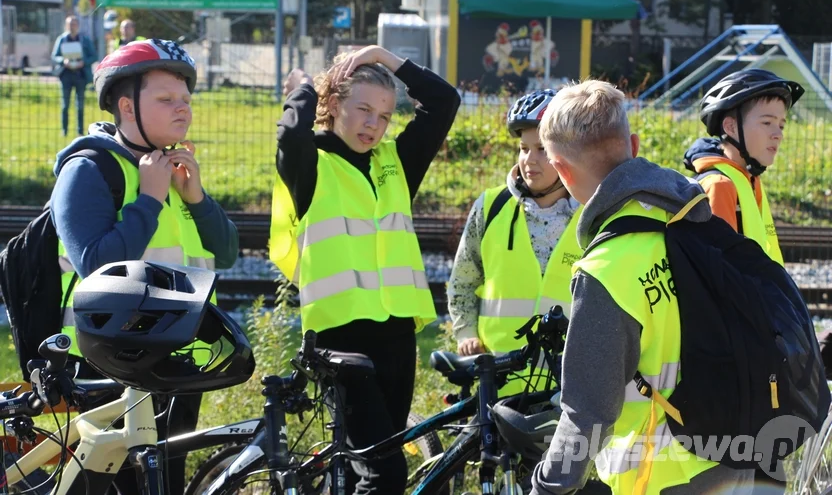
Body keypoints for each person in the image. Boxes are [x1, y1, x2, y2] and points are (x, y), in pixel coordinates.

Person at [530, 79, 753, 495]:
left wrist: (547, 486)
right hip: (738, 456)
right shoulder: (694, 223)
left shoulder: (606, 270)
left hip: (660, 476)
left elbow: (587, 414)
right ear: (632, 144)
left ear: (561, 169)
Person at [50, 38, 239, 494]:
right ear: (126, 107)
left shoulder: (168, 168)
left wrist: (195, 198)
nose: (183, 110)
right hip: (106, 362)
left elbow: (227, 252)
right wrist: (151, 198)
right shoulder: (90, 168)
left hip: (173, 356)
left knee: (166, 478)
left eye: (186, 100)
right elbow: (96, 263)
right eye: (166, 99)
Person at [269, 45, 460, 495]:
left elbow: (444, 102)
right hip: (341, 340)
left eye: (385, 115)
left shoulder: (394, 163)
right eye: (363, 110)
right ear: (333, 106)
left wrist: (385, 57)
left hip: (396, 333)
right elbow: (289, 134)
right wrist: (306, 87)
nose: (374, 124)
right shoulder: (310, 162)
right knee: (384, 475)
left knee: (371, 469)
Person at [447, 89, 582, 396]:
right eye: (523, 148)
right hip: (498, 376)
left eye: (542, 150)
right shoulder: (490, 207)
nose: (529, 160)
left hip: (569, 384)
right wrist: (466, 332)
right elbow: (462, 281)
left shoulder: (593, 213)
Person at [684, 69, 804, 266]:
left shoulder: (748, 179)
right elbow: (720, 275)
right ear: (730, 127)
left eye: (781, 126)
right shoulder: (720, 186)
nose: (778, 134)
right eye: (767, 122)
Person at [51, 15, 97, 136]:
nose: (72, 26)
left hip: (80, 76)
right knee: (65, 105)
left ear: (78, 26)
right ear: (66, 26)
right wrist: (63, 61)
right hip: (66, 75)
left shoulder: (84, 40)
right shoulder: (61, 39)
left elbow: (94, 56)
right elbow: (55, 56)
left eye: (75, 24)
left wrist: (84, 62)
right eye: (70, 24)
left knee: (80, 105)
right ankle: (64, 131)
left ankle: (80, 131)